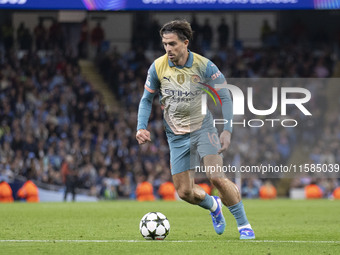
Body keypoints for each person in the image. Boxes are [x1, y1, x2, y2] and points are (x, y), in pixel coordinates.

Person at [136, 20, 255, 240]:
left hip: (203, 128)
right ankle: (213, 205)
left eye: (172, 44)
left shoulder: (204, 66)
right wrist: (140, 127)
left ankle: (243, 224)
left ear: (185, 43)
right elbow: (146, 99)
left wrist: (227, 130)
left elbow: (226, 97)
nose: (168, 49)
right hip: (175, 135)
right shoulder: (157, 67)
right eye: (165, 44)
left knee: (216, 177)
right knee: (184, 193)